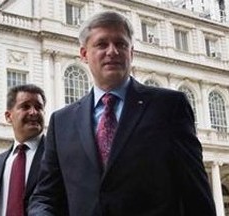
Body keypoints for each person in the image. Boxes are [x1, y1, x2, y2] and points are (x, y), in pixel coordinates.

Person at [28, 11, 216, 216]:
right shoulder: (61, 121)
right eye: (101, 44)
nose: (113, 51)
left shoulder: (169, 106)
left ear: (131, 53)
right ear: (84, 54)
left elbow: (195, 191)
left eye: (121, 44)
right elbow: (45, 196)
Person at [0, 84, 46, 216]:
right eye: (25, 106)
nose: (34, 112)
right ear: (8, 116)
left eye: (38, 107)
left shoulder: (58, 157)